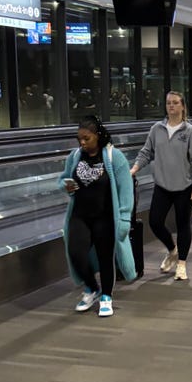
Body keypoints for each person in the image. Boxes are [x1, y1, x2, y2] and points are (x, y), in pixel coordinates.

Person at [60, 116, 136, 317]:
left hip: (105, 216)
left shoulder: (114, 157)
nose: (82, 143)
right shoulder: (75, 156)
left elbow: (126, 189)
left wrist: (125, 218)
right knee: (76, 253)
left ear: (98, 136)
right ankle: (92, 288)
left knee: (105, 257)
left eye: (87, 139)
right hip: (80, 215)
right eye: (80, 139)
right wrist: (65, 185)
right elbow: (63, 179)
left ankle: (106, 296)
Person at [130, 91, 192, 281]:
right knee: (155, 222)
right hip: (162, 186)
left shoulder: (190, 131)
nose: (171, 106)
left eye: (175, 103)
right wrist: (133, 170)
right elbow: (146, 152)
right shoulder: (157, 129)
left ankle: (181, 264)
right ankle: (172, 250)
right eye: (168, 103)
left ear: (182, 106)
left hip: (184, 187)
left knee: (183, 225)